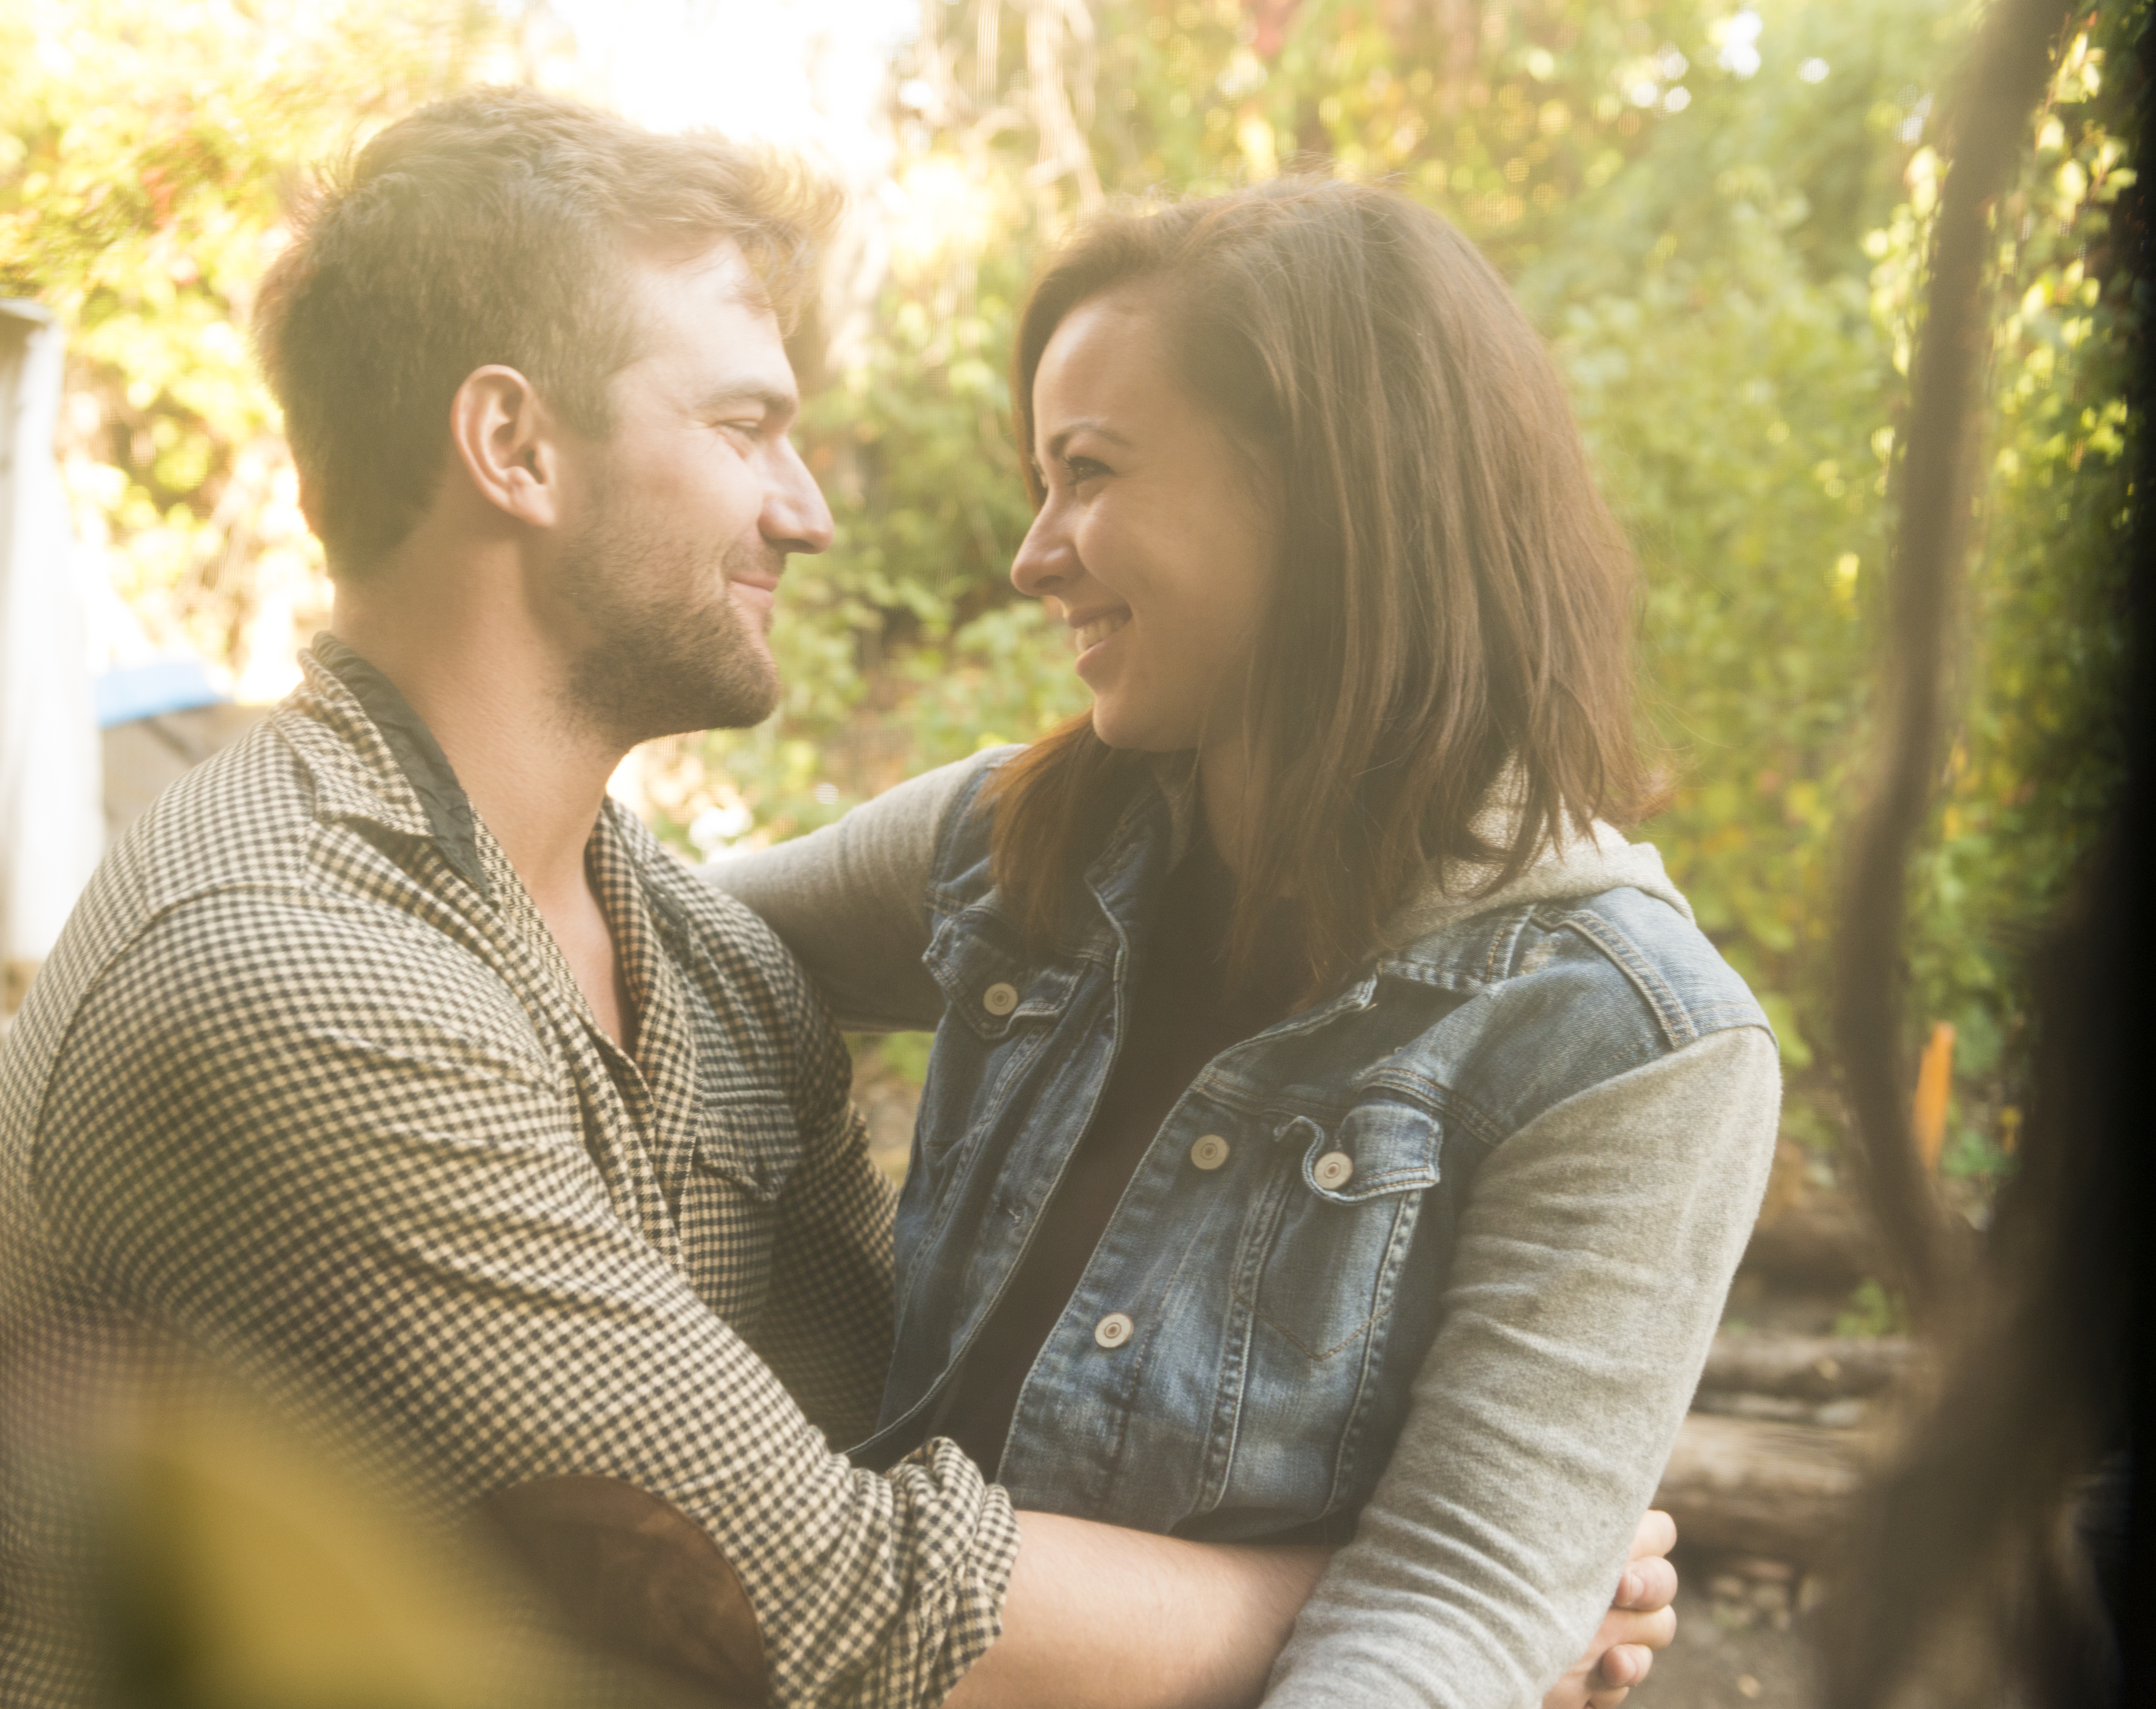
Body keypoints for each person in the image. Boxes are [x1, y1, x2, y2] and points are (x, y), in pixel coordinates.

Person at [0, 91, 1676, 1708]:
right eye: (742, 427)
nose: (809, 511)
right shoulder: (284, 976)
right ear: (512, 447)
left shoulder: (699, 962)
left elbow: (892, 1460)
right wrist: (1456, 1586)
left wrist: (1497, 1555)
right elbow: (835, 1589)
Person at [705, 176, 1782, 1707]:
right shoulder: (1017, 846)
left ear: (1330, 493)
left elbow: (1453, 1610)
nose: (1034, 556)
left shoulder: (1626, 1041)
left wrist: (1512, 1594)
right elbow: (649, 937)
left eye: (1086, 474)